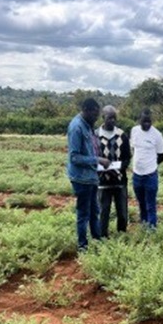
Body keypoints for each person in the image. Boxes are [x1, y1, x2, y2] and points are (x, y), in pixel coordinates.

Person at [67, 98, 110, 251]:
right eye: (94, 114)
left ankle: (97, 241)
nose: (96, 118)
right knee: (84, 213)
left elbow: (91, 148)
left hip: (91, 176)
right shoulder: (77, 127)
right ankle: (82, 247)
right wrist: (97, 159)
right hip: (81, 178)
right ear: (85, 109)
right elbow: (74, 157)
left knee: (94, 211)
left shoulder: (88, 125)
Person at [95, 105, 132, 238]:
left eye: (114, 118)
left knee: (122, 212)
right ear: (103, 118)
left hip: (120, 180)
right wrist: (103, 169)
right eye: (109, 118)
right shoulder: (95, 135)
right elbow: (92, 157)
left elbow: (127, 157)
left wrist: (118, 168)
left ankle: (122, 236)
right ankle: (103, 237)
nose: (112, 121)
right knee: (104, 211)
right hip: (102, 180)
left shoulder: (122, 135)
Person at [130, 109, 163, 229]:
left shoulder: (157, 135)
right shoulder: (134, 131)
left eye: (149, 121)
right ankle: (144, 226)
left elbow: (161, 156)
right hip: (136, 175)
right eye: (144, 121)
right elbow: (134, 149)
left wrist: (150, 166)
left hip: (150, 176)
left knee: (151, 205)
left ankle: (152, 230)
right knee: (141, 204)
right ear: (139, 119)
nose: (147, 124)